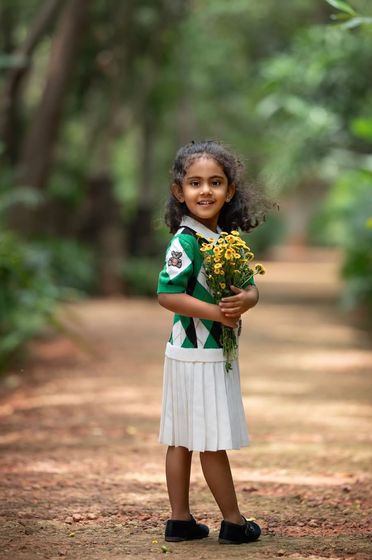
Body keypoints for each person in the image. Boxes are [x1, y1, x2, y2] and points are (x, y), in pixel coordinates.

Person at [156, 140, 262, 545]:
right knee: (206, 440)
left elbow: (251, 289)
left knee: (183, 436)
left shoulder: (226, 241)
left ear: (230, 191)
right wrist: (220, 313)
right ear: (178, 191)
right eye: (195, 182)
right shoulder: (184, 242)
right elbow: (167, 294)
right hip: (194, 355)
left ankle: (180, 522)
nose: (205, 191)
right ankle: (234, 523)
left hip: (212, 353)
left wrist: (245, 301)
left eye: (215, 182)